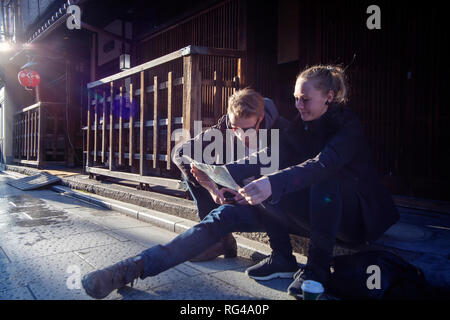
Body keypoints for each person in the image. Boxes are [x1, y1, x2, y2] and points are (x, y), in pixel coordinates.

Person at [81, 65, 399, 300]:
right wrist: (224, 178)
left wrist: (272, 183)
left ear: (329, 97)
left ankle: (315, 269)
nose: (299, 106)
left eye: (305, 99)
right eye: (296, 99)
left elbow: (322, 165)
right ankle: (130, 268)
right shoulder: (297, 128)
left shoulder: (347, 126)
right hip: (310, 214)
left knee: (319, 180)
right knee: (223, 215)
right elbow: (266, 156)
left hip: (354, 218)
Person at [172, 88, 288, 261]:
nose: (240, 135)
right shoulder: (223, 127)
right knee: (192, 170)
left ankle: (280, 254)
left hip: (268, 204)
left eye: (247, 129)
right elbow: (180, 154)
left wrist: (251, 193)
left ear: (260, 119)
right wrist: (211, 188)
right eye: (235, 128)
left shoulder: (281, 130)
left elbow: (288, 177)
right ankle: (219, 240)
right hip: (234, 194)